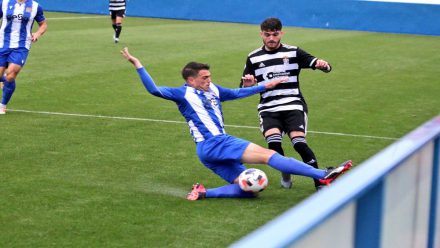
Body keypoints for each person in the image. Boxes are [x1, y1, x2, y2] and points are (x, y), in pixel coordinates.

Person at [120, 47, 352, 201]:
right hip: (216, 143)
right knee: (268, 156)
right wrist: (138, 65)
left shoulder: (213, 89)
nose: (209, 80)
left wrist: (263, 87)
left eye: (209, 76)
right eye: (204, 77)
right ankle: (322, 174)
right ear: (190, 80)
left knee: (247, 188)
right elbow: (153, 89)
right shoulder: (181, 94)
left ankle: (203, 193)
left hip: (206, 152)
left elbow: (236, 93)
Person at [241, 17, 332, 190]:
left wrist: (323, 65)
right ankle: (286, 172)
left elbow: (324, 66)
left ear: (281, 33)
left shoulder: (293, 52)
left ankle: (319, 182)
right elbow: (244, 86)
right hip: (268, 108)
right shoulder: (253, 57)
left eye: (275, 34)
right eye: (267, 35)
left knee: (298, 143)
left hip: (292, 104)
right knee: (274, 145)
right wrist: (248, 85)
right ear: (261, 34)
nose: (271, 39)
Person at [0, 0, 47, 115]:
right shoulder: (4, 3)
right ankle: (4, 80)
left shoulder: (35, 6)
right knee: (4, 76)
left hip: (21, 46)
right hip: (2, 43)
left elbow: (43, 24)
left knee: (11, 74)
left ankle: (2, 105)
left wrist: (37, 34)